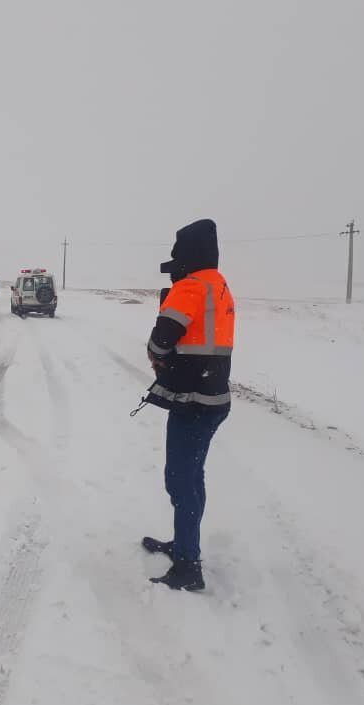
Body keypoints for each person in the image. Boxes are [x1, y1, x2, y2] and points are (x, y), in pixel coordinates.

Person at [140, 218, 235, 592]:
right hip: (213, 397)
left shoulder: (191, 287)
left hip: (192, 400)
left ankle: (187, 566)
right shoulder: (219, 285)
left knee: (180, 480)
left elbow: (161, 341)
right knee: (192, 478)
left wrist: (157, 355)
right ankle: (184, 546)